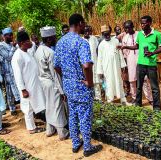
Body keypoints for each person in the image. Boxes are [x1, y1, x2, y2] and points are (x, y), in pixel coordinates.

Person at [54, 13, 103, 157]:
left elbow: (56, 66)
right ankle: (87, 146)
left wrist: (67, 76)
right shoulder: (81, 43)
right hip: (81, 85)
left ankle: (75, 144)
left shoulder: (60, 42)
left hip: (68, 85)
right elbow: (87, 65)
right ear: (80, 23)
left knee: (73, 114)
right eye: (84, 24)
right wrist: (89, 82)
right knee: (85, 115)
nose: (85, 26)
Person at [120, 15, 161, 110]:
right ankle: (138, 104)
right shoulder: (140, 34)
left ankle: (157, 108)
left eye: (144, 23)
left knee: (154, 87)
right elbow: (136, 46)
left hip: (151, 64)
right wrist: (126, 47)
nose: (142, 25)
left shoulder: (157, 34)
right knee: (139, 86)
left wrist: (152, 52)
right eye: (141, 23)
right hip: (140, 64)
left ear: (149, 23)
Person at [34, 26, 69, 140]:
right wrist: (62, 91)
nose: (56, 39)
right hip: (51, 82)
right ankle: (62, 133)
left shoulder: (38, 50)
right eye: (54, 37)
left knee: (49, 106)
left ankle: (50, 129)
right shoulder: (50, 52)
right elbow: (55, 74)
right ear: (49, 39)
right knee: (57, 106)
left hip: (43, 82)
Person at [11, 31, 46, 134]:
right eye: (28, 41)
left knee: (32, 105)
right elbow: (17, 75)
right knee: (28, 107)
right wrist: (23, 89)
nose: (30, 42)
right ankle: (31, 128)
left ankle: (33, 123)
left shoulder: (26, 52)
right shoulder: (17, 56)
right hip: (26, 87)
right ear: (22, 43)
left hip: (33, 84)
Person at [97, 25, 131, 105]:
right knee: (109, 83)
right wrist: (100, 71)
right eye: (105, 34)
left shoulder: (115, 41)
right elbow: (99, 59)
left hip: (116, 67)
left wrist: (123, 65)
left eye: (108, 33)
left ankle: (122, 99)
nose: (107, 35)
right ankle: (110, 100)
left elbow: (120, 54)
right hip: (107, 68)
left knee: (118, 81)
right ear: (102, 34)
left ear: (110, 32)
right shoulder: (101, 45)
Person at [122, 20, 153, 104]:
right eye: (125, 28)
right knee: (132, 80)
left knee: (145, 79)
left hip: (141, 59)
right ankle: (134, 97)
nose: (126, 30)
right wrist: (126, 63)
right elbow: (124, 52)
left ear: (132, 26)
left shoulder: (140, 34)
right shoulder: (125, 38)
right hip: (130, 60)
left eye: (128, 28)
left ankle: (149, 98)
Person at [0, 27, 20, 116]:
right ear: (4, 36)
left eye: (12, 34)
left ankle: (20, 104)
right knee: (9, 90)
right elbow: (8, 57)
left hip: (14, 70)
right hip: (7, 72)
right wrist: (13, 47)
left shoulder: (12, 45)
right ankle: (12, 108)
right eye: (9, 35)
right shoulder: (1, 46)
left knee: (18, 87)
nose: (11, 36)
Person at [83, 25, 101, 101]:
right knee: (87, 79)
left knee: (96, 81)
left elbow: (97, 50)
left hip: (95, 62)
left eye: (89, 31)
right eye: (86, 31)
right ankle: (89, 97)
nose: (88, 33)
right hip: (86, 64)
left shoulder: (94, 38)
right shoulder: (81, 40)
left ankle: (98, 97)